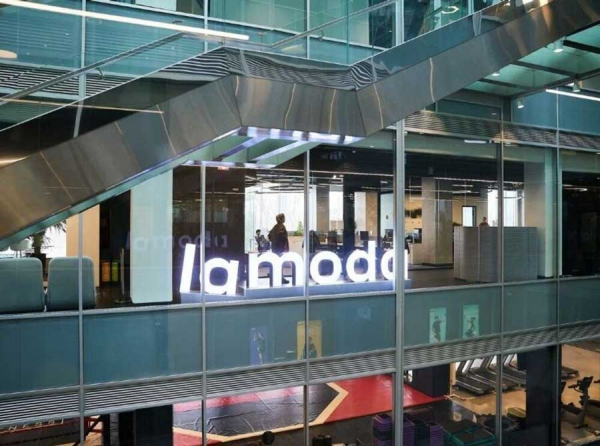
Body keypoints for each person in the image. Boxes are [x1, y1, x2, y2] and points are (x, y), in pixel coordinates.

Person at [268, 213, 290, 283]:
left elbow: (269, 236)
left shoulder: (275, 226)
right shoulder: (281, 227)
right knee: (280, 263)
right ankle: (281, 278)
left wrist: (274, 242)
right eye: (283, 217)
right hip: (280, 248)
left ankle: (273, 274)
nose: (284, 219)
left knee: (276, 262)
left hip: (275, 247)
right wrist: (283, 244)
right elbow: (282, 237)